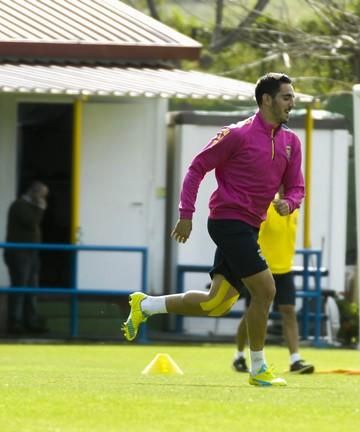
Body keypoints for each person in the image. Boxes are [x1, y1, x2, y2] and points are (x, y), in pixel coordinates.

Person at [122, 73, 304, 387]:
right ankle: (258, 368)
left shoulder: (291, 142)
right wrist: (186, 213)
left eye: (292, 96)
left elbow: (297, 187)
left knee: (215, 303)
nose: (292, 102)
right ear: (266, 100)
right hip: (227, 221)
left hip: (250, 227)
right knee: (266, 290)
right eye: (286, 96)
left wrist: (290, 201)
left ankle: (146, 305)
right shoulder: (237, 134)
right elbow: (197, 167)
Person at [232, 193, 314, 374]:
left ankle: (295, 360)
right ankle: (238, 356)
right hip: (261, 269)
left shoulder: (293, 208)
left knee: (289, 312)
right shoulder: (266, 205)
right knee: (252, 314)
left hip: (285, 269)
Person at [3, 180, 49, 334]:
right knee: (20, 286)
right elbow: (31, 223)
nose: (43, 199)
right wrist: (40, 209)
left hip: (31, 252)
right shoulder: (19, 205)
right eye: (42, 195)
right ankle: (14, 322)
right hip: (19, 252)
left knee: (31, 287)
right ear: (34, 193)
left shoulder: (28, 206)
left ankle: (30, 321)